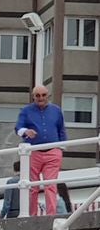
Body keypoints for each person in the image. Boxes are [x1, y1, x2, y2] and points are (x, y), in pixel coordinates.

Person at [15, 84, 67, 216]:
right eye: (37, 95)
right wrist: (26, 131)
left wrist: (61, 147)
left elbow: (61, 129)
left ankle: (51, 215)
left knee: (50, 185)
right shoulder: (26, 111)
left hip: (53, 151)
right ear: (33, 97)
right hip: (34, 152)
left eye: (43, 95)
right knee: (33, 186)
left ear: (48, 95)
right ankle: (32, 215)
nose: (41, 98)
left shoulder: (56, 110)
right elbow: (18, 128)